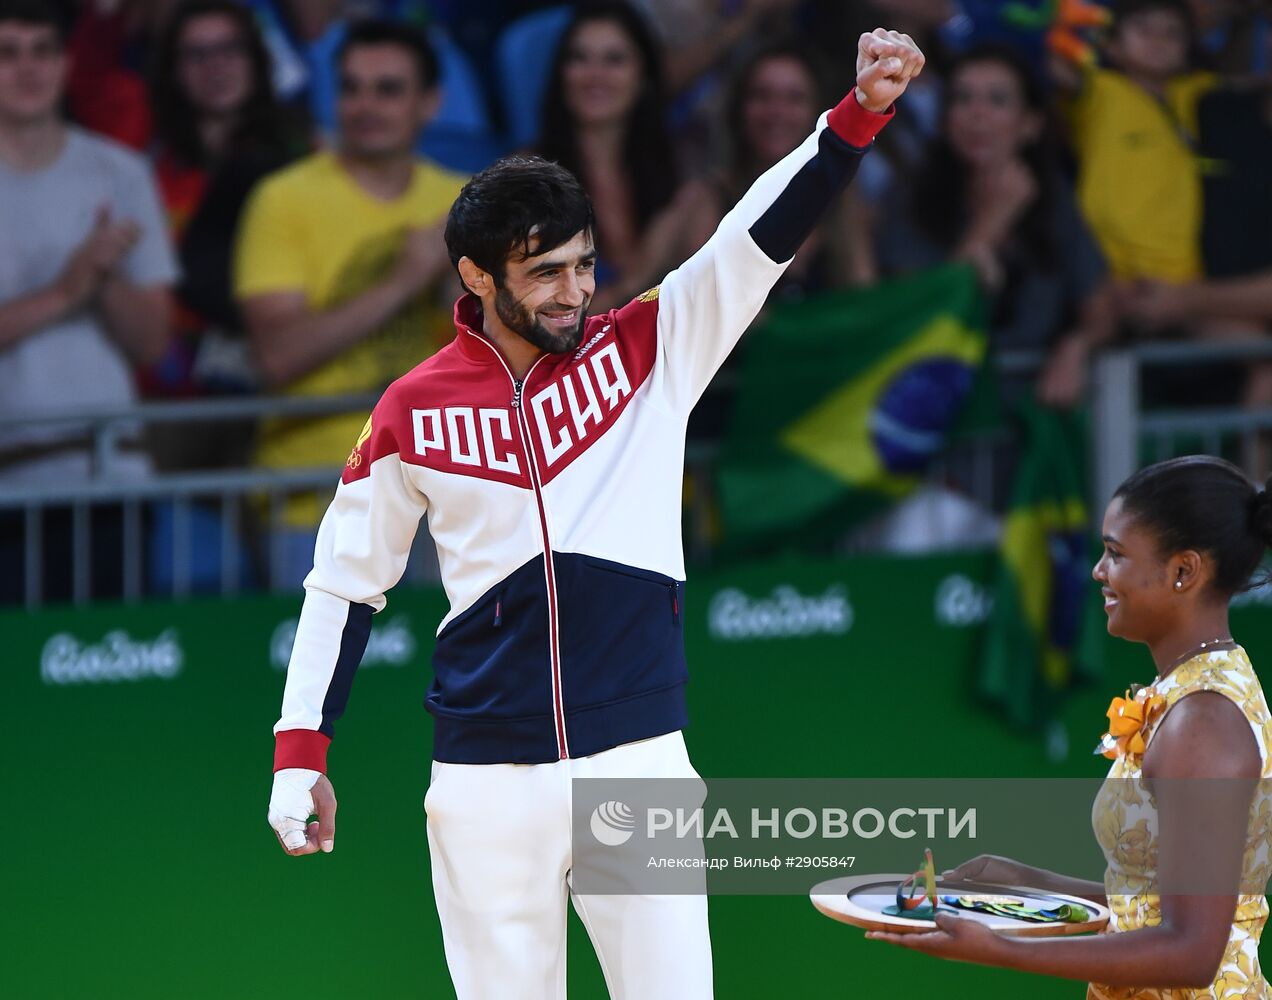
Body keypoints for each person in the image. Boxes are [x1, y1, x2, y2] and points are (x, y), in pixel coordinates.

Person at [265, 27, 925, 998]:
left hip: (640, 766)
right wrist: (298, 754)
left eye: (583, 263)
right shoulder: (410, 409)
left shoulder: (649, 347)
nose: (578, 292)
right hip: (485, 785)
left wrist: (857, 115)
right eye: (547, 273)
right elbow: (341, 584)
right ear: (479, 280)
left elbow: (752, 241)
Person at [867, 454, 1272, 999]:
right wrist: (1025, 884)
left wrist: (1001, 948)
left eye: (1115, 554)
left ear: (1183, 571)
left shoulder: (1202, 721)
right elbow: (1148, 911)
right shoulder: (1195, 691)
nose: (1098, 571)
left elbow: (1191, 951)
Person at [234, 18, 465, 588]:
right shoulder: (282, 200)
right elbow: (277, 357)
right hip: (317, 502)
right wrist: (402, 280)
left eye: (388, 89)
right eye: (351, 87)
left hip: (449, 500)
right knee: (323, 682)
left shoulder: (465, 201)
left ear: (430, 103)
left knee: (455, 680)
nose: (365, 105)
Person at [0, 0, 177, 602]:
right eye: (8, 53)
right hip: (9, 482)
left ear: (66, 63)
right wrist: (65, 290)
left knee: (118, 684)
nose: (27, 68)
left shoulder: (119, 173)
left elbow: (152, 341)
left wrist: (103, 281)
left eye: (42, 51)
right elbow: (67, 291)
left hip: (110, 474)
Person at [864, 43, 1118, 407]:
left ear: (1030, 124)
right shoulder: (909, 197)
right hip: (932, 419)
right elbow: (926, 318)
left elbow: (1102, 304)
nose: (976, 114)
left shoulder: (1053, 195)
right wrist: (994, 219)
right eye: (962, 99)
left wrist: (1077, 345)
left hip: (1031, 415)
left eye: (997, 100)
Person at [535, 0, 713, 311]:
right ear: (561, 73)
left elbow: (709, 310)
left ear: (644, 77)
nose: (595, 75)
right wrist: (639, 278)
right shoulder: (527, 180)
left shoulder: (682, 182)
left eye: (614, 59)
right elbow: (537, 321)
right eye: (579, 58)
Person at [1063, 0, 1219, 284]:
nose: (1158, 40)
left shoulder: (1198, 94)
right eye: (1143, 29)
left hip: (1189, 276)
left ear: (1188, 48)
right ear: (1111, 45)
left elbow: (1251, 81)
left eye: (1173, 33)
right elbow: (1056, 68)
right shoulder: (1099, 91)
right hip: (1112, 271)